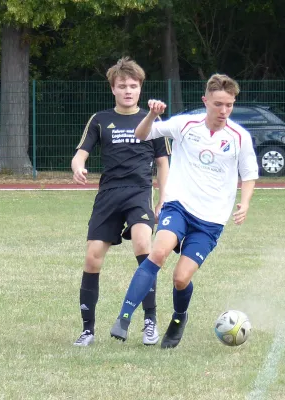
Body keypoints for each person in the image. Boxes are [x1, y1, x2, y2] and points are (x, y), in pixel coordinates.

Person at [110, 73, 259, 349]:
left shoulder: (240, 137)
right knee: (158, 253)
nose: (224, 111)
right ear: (206, 101)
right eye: (218, 104)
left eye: (229, 105)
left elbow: (249, 173)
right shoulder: (185, 125)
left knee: (181, 278)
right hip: (179, 205)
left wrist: (245, 202)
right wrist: (152, 116)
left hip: (211, 220)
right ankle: (124, 318)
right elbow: (141, 134)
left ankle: (179, 318)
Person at [71, 57, 171, 347]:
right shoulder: (100, 120)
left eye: (133, 86)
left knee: (143, 245)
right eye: (122, 86)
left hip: (139, 192)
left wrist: (163, 197)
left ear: (140, 89)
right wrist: (78, 166)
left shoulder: (153, 121)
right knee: (92, 258)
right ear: (113, 89)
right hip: (108, 195)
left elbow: (163, 164)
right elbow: (81, 152)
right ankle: (88, 330)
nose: (128, 90)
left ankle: (149, 322)